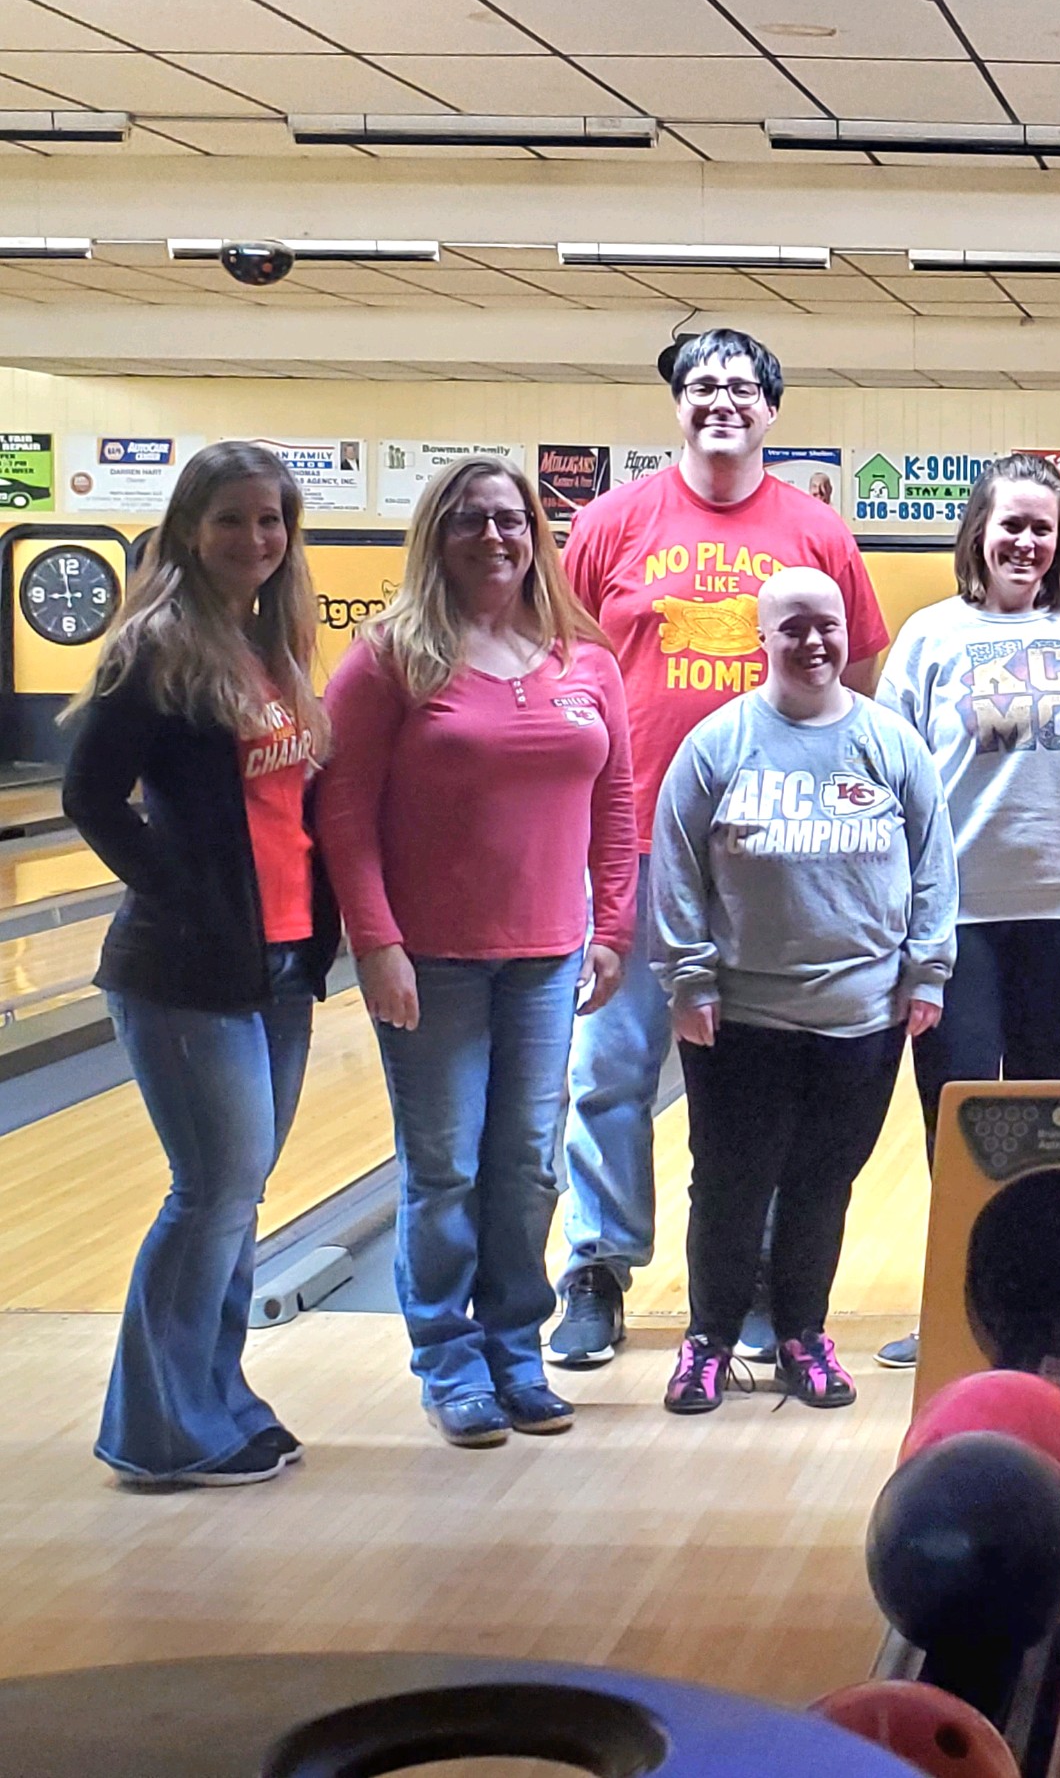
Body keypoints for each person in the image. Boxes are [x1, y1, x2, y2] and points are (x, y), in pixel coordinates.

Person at [551, 328, 890, 1369]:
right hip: (633, 838)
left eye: (742, 387)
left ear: (773, 411)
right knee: (609, 1068)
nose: (721, 401)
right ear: (676, 403)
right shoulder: (611, 524)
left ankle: (755, 1284)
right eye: (702, 385)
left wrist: (816, 806)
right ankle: (598, 1271)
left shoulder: (816, 528)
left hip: (774, 855)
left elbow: (861, 668)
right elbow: (564, 659)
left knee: (766, 1080)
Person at [316, 457, 635, 1448]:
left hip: (548, 957)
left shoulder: (584, 660)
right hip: (435, 959)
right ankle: (449, 1361)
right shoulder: (389, 658)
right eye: (470, 522)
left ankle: (515, 1351)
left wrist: (613, 929)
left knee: (529, 1169)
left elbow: (615, 809)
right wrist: (377, 945)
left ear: (537, 536)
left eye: (511, 521)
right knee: (446, 1167)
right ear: (435, 538)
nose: (494, 538)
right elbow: (345, 815)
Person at [62, 442, 337, 1487]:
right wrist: (179, 893)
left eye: (272, 520)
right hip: (182, 971)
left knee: (239, 1195)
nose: (256, 539)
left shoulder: (268, 647)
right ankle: (157, 1428)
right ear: (189, 529)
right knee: (211, 1190)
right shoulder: (158, 648)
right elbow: (89, 796)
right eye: (232, 520)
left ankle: (218, 1398)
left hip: (275, 966)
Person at [651, 568, 956, 1414]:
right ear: (763, 639)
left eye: (827, 625)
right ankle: (708, 1340)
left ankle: (802, 1335)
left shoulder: (891, 742)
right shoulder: (718, 742)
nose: (814, 642)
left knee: (825, 1183)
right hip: (742, 1012)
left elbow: (934, 865)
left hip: (859, 1014)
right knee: (729, 1183)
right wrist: (688, 976)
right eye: (793, 628)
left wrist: (926, 968)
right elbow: (675, 866)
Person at [870, 453, 1060, 1369]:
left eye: (1043, 526)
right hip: (955, 911)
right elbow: (894, 773)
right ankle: (963, 1305)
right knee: (958, 1111)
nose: (1026, 541)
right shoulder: (929, 635)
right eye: (1011, 524)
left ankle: (1039, 1315)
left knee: (1044, 1113)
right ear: (977, 533)